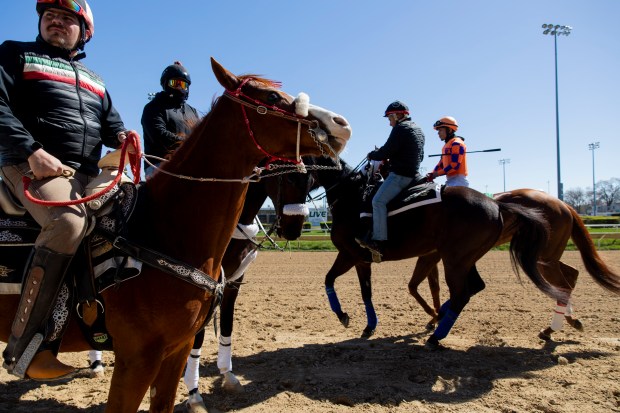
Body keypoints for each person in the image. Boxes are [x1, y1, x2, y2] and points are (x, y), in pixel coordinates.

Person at [0, 0, 134, 380]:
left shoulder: (95, 79)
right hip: (31, 166)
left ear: (84, 31)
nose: (55, 22)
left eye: (66, 19)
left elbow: (115, 127)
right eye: (49, 17)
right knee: (69, 224)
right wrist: (32, 150)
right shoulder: (15, 54)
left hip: (87, 173)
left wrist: (126, 141)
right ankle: (27, 349)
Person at [357, 101, 425, 261]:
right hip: (414, 175)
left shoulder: (400, 128)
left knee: (378, 201)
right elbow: (418, 155)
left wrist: (372, 155)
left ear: (397, 115)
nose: (389, 122)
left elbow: (386, 151)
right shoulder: (418, 129)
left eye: (389, 118)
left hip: (400, 175)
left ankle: (378, 241)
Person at [141, 61, 200, 178]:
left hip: (189, 165)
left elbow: (200, 136)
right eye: (175, 83)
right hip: (160, 165)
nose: (179, 88)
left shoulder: (192, 111)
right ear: (166, 83)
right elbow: (159, 135)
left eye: (183, 85)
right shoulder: (154, 107)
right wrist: (189, 143)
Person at [426, 116, 469, 187]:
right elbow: (441, 164)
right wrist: (431, 173)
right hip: (451, 180)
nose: (438, 133)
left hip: (458, 181)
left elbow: (454, 166)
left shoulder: (457, 143)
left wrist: (436, 174)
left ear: (449, 130)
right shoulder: (446, 145)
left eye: (440, 130)